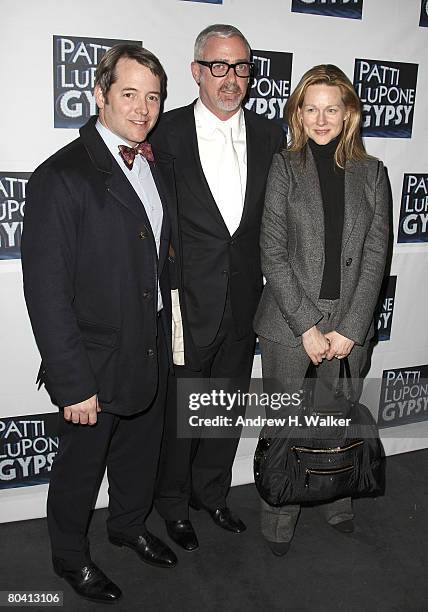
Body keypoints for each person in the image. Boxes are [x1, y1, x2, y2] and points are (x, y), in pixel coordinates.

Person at [21, 44, 178, 603]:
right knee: (79, 471)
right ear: (99, 96)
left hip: (150, 345)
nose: (142, 108)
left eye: (152, 96)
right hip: (93, 360)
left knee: (140, 453)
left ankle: (129, 525)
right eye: (129, 94)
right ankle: (69, 557)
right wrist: (73, 382)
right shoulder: (60, 177)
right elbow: (44, 293)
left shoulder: (154, 162)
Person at [150, 24, 284, 551]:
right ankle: (174, 504)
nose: (232, 79)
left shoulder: (272, 136)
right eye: (219, 66)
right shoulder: (165, 133)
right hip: (185, 301)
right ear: (196, 71)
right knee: (182, 412)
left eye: (241, 67)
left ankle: (213, 494)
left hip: (247, 299)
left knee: (226, 406)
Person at [254, 64, 389, 556]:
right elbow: (272, 251)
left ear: (349, 112)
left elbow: (377, 254)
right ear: (297, 114)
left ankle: (337, 499)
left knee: (339, 418)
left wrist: (351, 328)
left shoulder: (372, 172)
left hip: (350, 324)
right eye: (310, 108)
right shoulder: (284, 166)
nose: (321, 118)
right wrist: (307, 326)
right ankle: (280, 512)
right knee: (287, 422)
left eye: (332, 108)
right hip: (290, 324)